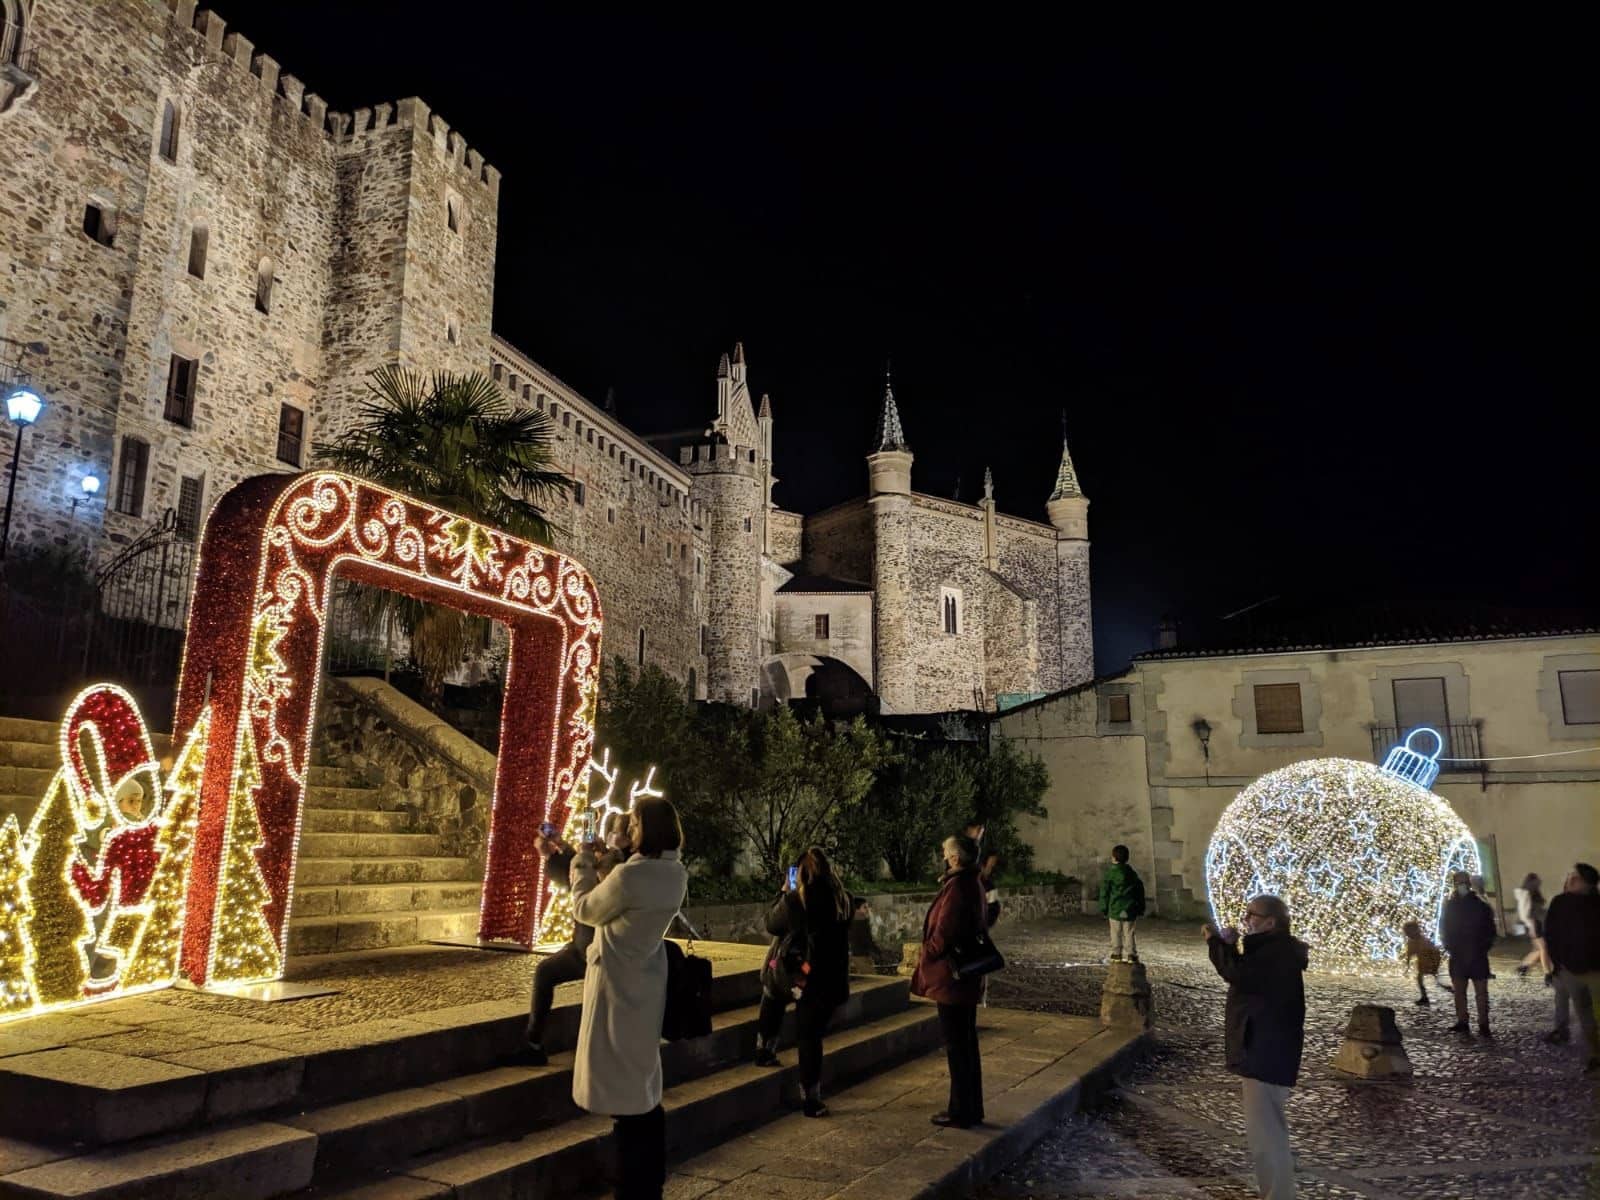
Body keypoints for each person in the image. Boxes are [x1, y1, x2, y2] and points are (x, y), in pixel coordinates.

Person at [569, 798, 689, 1200]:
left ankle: (633, 1188)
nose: (630, 829)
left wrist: (584, 863)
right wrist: (616, 862)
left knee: (625, 1103)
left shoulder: (630, 877)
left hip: (617, 988)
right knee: (639, 1087)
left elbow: (587, 908)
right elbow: (628, 901)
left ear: (647, 830)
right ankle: (648, 1184)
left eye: (635, 824)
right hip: (646, 984)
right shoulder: (675, 874)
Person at [1204, 895, 1308, 1200]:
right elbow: (1242, 971)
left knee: (1267, 1135)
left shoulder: (1274, 954)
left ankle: (1278, 1194)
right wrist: (1229, 947)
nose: (1246, 919)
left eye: (1253, 915)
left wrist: (1215, 943)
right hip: (1265, 1048)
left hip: (1265, 1051)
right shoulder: (1274, 950)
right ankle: (1276, 1191)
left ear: (1271, 922)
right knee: (1268, 1130)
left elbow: (1238, 974)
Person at [515, 815, 631, 1066]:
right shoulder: (619, 860)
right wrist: (562, 848)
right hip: (589, 946)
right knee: (545, 971)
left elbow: (582, 892)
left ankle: (537, 1043)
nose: (610, 835)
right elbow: (574, 873)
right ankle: (534, 1042)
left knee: (548, 973)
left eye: (616, 831)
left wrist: (582, 856)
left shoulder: (619, 868)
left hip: (596, 949)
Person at [753, 846, 854, 1116]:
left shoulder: (796, 901)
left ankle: (766, 1048)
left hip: (800, 973)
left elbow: (771, 924)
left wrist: (785, 891)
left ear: (801, 874)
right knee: (812, 1036)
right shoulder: (843, 899)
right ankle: (812, 1096)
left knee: (772, 988)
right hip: (829, 976)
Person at [911, 833, 988, 1129]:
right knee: (965, 1043)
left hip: (952, 977)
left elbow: (945, 931)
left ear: (955, 857)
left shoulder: (959, 887)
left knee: (958, 1045)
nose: (943, 856)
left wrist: (927, 952)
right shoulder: (971, 882)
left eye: (945, 851)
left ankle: (960, 1111)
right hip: (963, 976)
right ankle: (970, 1107)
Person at [1541, 862, 1600, 1073]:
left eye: (1575, 877)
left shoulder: (1596, 904)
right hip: (1570, 971)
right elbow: (1550, 934)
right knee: (1585, 1015)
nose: (1570, 880)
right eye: (1570, 877)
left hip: (1596, 971)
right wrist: (1557, 965)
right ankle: (1595, 1053)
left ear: (1588, 883)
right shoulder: (1560, 902)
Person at [1440, 869, 1496, 1037]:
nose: (1461, 885)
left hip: (1474, 954)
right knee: (1461, 992)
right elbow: (1445, 929)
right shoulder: (1452, 906)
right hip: (1461, 955)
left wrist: (1482, 947)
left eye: (1463, 882)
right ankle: (1464, 1021)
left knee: (1479, 993)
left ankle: (1482, 1023)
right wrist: (1450, 946)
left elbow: (1489, 931)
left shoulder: (1479, 906)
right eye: (1458, 882)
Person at [1097, 844, 1146, 963]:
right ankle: (1131, 955)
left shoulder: (1110, 874)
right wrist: (1140, 907)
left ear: (1114, 858)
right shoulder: (1132, 874)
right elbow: (1139, 890)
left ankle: (1116, 954)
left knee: (1115, 932)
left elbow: (1104, 892)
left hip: (1114, 908)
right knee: (1129, 932)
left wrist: (1103, 908)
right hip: (1129, 908)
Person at [1400, 919, 1446, 1006]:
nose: (1407, 934)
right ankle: (1425, 996)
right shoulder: (1413, 941)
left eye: (1408, 932)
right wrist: (1407, 966)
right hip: (1423, 963)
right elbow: (1410, 954)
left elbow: (1434, 952)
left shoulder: (1422, 941)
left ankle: (1448, 989)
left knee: (1431, 980)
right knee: (1421, 979)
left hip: (1429, 962)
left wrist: (1434, 964)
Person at [1514, 873, 1549, 977]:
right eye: (1537, 882)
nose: (1539, 883)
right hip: (1532, 924)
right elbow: (1525, 913)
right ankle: (1547, 973)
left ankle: (1523, 967)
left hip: (1536, 923)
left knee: (1539, 949)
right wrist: (1531, 927)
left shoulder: (1532, 893)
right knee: (1543, 948)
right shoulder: (1525, 894)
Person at [980, 851, 1002, 927]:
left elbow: (993, 910)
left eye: (994, 865)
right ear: (982, 867)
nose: (992, 868)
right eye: (991, 866)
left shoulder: (989, 886)